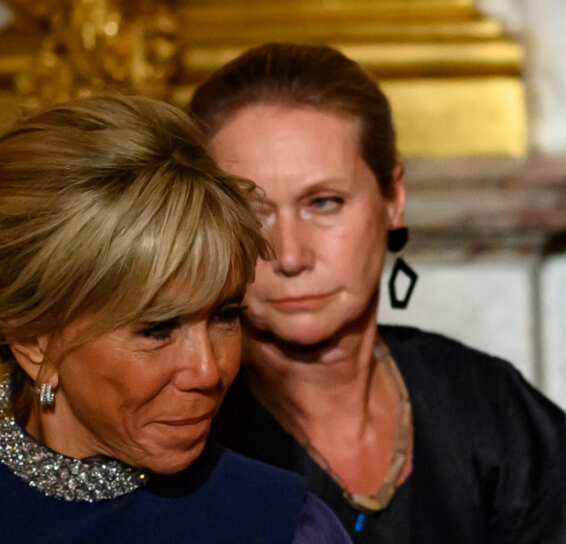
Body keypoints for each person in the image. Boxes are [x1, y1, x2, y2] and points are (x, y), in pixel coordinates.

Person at [189, 42, 566, 543]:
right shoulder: (184, 431)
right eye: (250, 212)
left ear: (394, 198)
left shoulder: (494, 410)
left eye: (324, 203)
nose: (288, 255)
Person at [0, 94, 352, 544]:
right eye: (158, 329)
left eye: (225, 316)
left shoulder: (283, 527)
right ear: (34, 340)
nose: (209, 371)